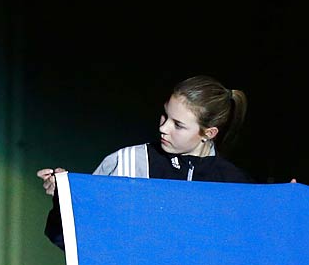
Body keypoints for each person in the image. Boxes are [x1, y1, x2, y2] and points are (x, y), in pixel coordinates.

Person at [38, 75, 256, 248]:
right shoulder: (126, 162)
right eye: (164, 115)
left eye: (178, 125)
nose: (163, 128)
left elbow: (254, 257)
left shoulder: (234, 184)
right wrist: (64, 198)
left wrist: (285, 209)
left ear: (208, 133)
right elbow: (74, 240)